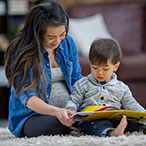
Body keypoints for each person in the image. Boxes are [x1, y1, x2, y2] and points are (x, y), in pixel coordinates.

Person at [4, 0, 82, 137]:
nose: (58, 41)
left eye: (62, 34)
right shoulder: (22, 52)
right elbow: (29, 98)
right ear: (37, 33)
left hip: (69, 110)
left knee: (100, 114)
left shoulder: (68, 42)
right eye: (51, 37)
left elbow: (77, 80)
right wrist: (57, 111)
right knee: (60, 123)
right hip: (33, 117)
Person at [65, 38, 146, 137]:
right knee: (95, 126)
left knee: (132, 123)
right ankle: (111, 133)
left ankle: (141, 129)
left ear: (116, 67)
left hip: (114, 119)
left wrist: (144, 114)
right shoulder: (82, 84)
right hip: (91, 121)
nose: (99, 73)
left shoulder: (121, 87)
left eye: (105, 69)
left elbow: (132, 104)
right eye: (95, 67)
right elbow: (74, 100)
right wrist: (70, 110)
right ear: (90, 64)